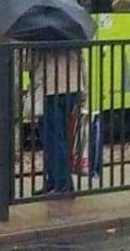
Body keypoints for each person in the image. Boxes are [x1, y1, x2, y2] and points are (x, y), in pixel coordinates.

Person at [29, 47, 87, 194]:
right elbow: (83, 63)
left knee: (54, 138)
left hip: (52, 90)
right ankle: (54, 181)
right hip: (73, 88)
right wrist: (84, 90)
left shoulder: (42, 40)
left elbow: (30, 65)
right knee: (58, 136)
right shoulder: (72, 37)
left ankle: (62, 183)